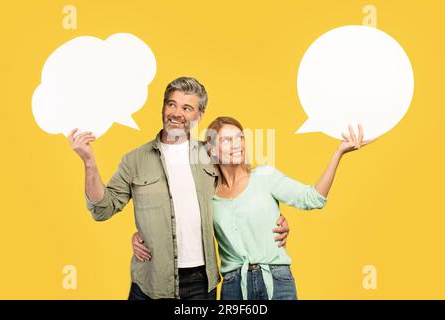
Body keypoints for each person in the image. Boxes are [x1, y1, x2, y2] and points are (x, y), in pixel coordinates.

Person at [68, 77, 289, 300]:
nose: (176, 113)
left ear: (199, 115)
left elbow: (244, 187)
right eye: (171, 104)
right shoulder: (134, 160)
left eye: (187, 108)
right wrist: (89, 163)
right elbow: (102, 210)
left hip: (200, 285)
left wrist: (273, 218)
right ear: (163, 107)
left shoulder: (210, 155)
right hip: (150, 283)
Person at [133, 116, 375, 300]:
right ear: (212, 150)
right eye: (228, 140)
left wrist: (338, 153)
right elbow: (177, 221)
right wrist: (139, 236)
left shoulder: (264, 177)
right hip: (233, 286)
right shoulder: (207, 194)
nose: (237, 144)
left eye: (240, 138)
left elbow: (313, 198)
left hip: (276, 280)